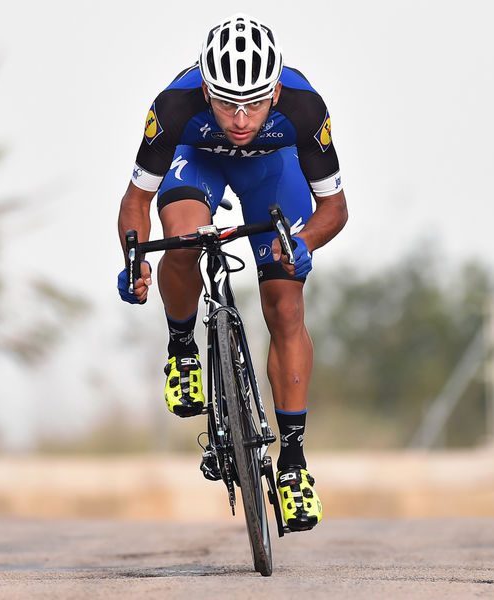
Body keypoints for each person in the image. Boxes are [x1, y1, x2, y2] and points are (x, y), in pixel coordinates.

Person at [116, 13, 347, 532]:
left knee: (285, 305)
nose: (241, 120)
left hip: (272, 170)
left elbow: (335, 208)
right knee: (182, 239)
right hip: (196, 161)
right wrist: (135, 259)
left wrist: (304, 244)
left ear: (274, 91)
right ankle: (182, 346)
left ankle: (291, 463)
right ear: (205, 88)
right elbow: (135, 203)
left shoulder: (305, 107)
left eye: (254, 105)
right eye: (225, 104)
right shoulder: (174, 105)